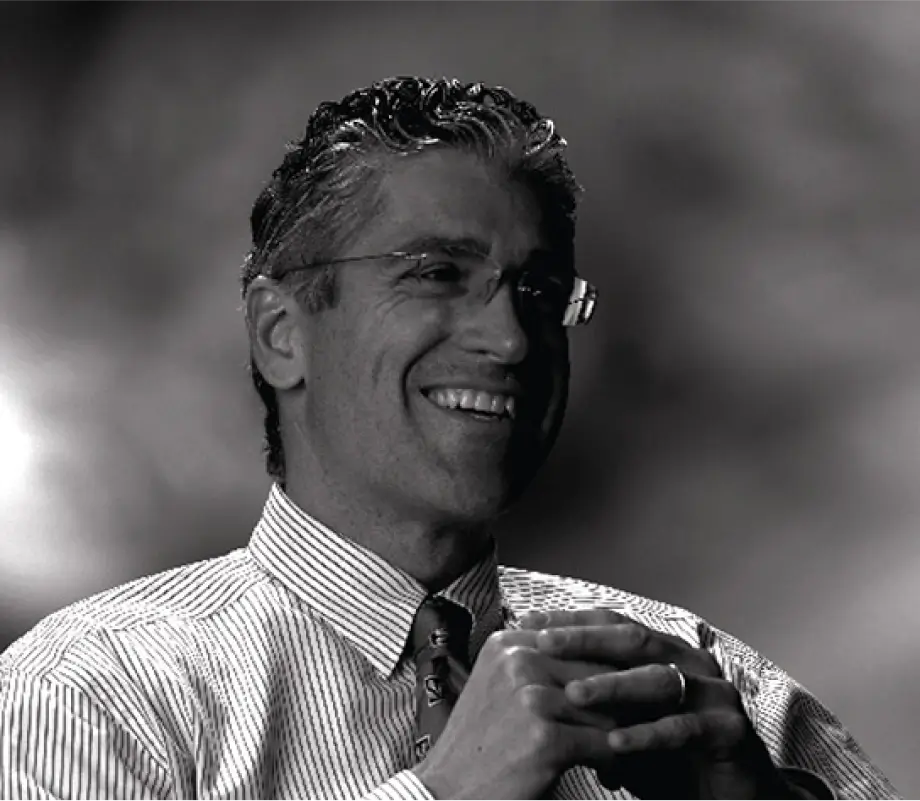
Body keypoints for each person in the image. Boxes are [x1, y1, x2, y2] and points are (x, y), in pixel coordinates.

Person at [0, 76, 900, 801]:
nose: (510, 340)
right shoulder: (91, 694)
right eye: (435, 273)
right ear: (280, 332)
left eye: (541, 293)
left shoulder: (724, 692)